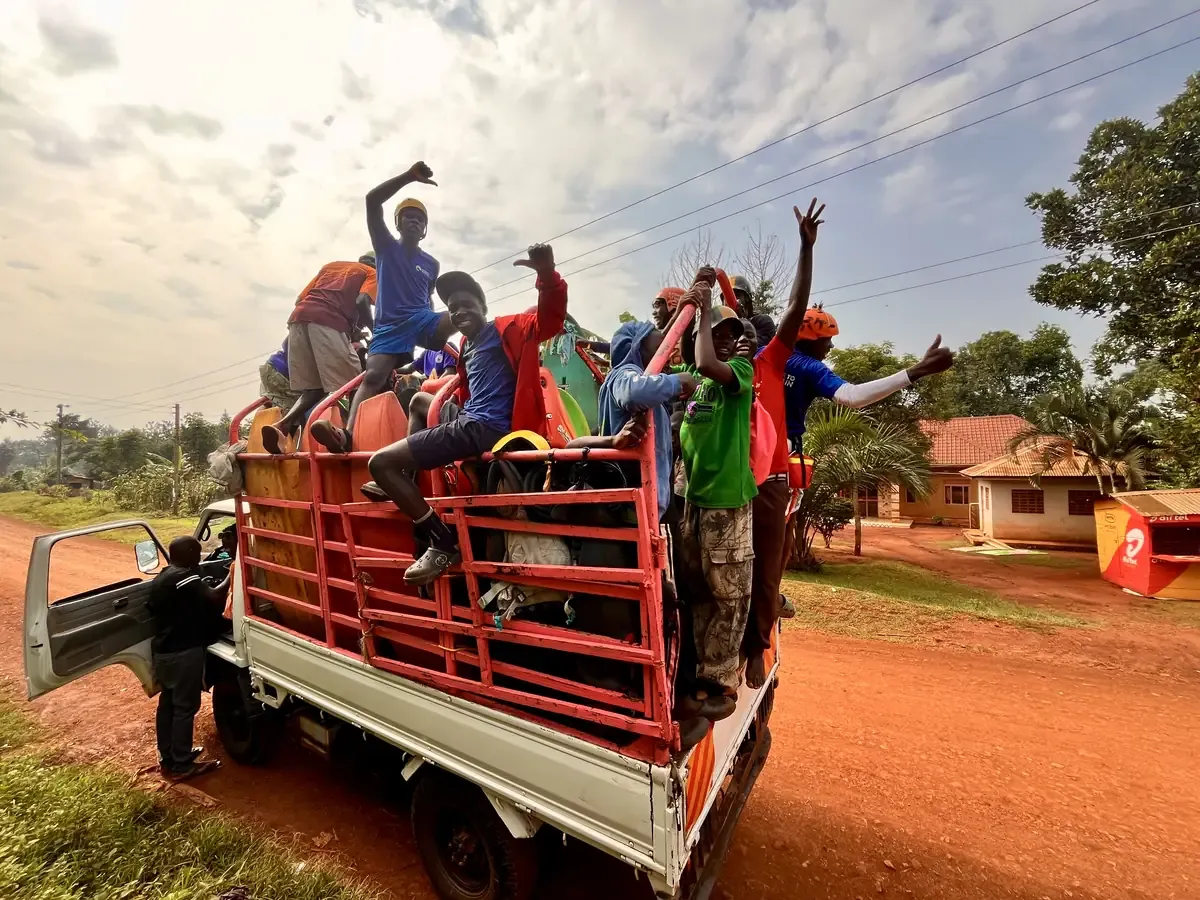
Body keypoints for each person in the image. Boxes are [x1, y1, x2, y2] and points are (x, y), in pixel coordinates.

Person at [365, 243, 568, 586]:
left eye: (466, 304)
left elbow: (550, 319)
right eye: (453, 308)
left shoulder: (509, 327)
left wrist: (546, 275)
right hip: (467, 416)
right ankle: (410, 479)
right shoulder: (466, 346)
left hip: (485, 427)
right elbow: (466, 389)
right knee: (417, 402)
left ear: (483, 306)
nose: (459, 312)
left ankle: (442, 540)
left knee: (379, 463)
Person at [311, 161, 452, 453]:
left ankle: (479, 387)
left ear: (425, 228)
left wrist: (434, 330)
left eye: (419, 219)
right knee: (373, 376)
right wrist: (409, 177)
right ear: (398, 223)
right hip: (389, 326)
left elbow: (427, 298)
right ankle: (346, 436)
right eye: (408, 217)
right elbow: (372, 201)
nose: (414, 222)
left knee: (463, 316)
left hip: (422, 320)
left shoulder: (431, 264)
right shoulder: (386, 247)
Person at [740, 200, 824, 688]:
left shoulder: (771, 363)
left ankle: (756, 648)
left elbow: (794, 308)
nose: (741, 345)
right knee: (720, 566)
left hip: (769, 483)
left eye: (749, 338)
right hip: (727, 487)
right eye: (732, 337)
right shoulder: (716, 375)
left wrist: (805, 248)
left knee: (767, 568)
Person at [676, 271, 756, 723]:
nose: (723, 341)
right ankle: (701, 672)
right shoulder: (693, 382)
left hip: (727, 502)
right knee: (699, 590)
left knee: (728, 593)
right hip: (695, 503)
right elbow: (688, 361)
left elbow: (709, 362)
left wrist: (708, 311)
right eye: (715, 333)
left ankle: (721, 679)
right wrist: (689, 309)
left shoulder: (737, 376)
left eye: (731, 334)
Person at [784, 313, 955, 454]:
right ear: (812, 339)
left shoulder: (764, 354)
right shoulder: (811, 368)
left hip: (758, 444)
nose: (831, 345)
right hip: (784, 451)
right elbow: (852, 396)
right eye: (827, 339)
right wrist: (916, 371)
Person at [261, 252, 377, 453]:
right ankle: (348, 435)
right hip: (328, 321)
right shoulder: (372, 273)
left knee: (314, 388)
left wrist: (350, 325)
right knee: (357, 382)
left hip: (298, 319)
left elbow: (299, 299)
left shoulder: (332, 266)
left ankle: (282, 426)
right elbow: (362, 302)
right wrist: (378, 332)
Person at [595, 321, 696, 522]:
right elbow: (634, 392)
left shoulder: (636, 379)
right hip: (639, 500)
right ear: (636, 347)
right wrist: (679, 380)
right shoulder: (625, 373)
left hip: (644, 498)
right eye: (659, 349)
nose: (665, 355)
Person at [147, 536, 229, 780]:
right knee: (185, 707)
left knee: (168, 705)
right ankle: (182, 765)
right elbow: (214, 597)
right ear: (191, 553)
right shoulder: (184, 577)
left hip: (164, 653)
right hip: (183, 653)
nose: (199, 557)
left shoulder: (163, 576)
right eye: (197, 552)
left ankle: (169, 756)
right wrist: (234, 573)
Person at [258, 338, 301, 412]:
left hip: (271, 367)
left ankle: (258, 421)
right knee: (303, 401)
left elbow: (286, 343)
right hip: (282, 373)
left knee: (271, 400)